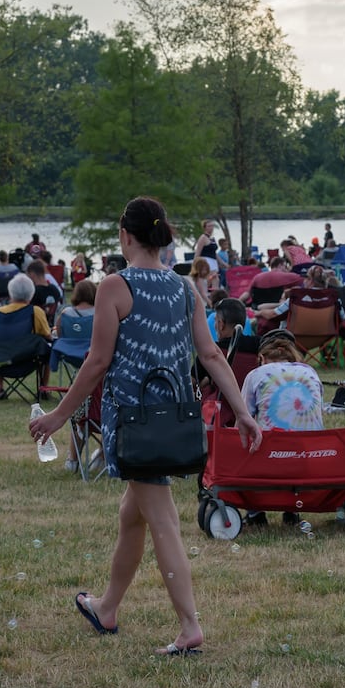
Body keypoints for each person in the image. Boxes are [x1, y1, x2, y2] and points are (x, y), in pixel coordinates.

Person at [28, 197, 262, 657]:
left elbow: (97, 362)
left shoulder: (115, 285)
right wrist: (244, 411)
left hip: (135, 424)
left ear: (125, 236)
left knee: (162, 519)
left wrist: (58, 416)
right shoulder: (184, 288)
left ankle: (190, 626)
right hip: (173, 421)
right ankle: (106, 607)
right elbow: (212, 355)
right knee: (131, 515)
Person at [241, 329, 325, 433]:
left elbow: (242, 420)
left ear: (262, 358)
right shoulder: (311, 372)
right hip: (311, 446)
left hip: (273, 446)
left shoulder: (255, 375)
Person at [0, 273, 51, 400]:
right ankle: (43, 388)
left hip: (2, 363)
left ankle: (0, 388)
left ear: (11, 293)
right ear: (31, 294)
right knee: (45, 349)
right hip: (28, 361)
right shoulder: (35, 311)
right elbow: (48, 336)